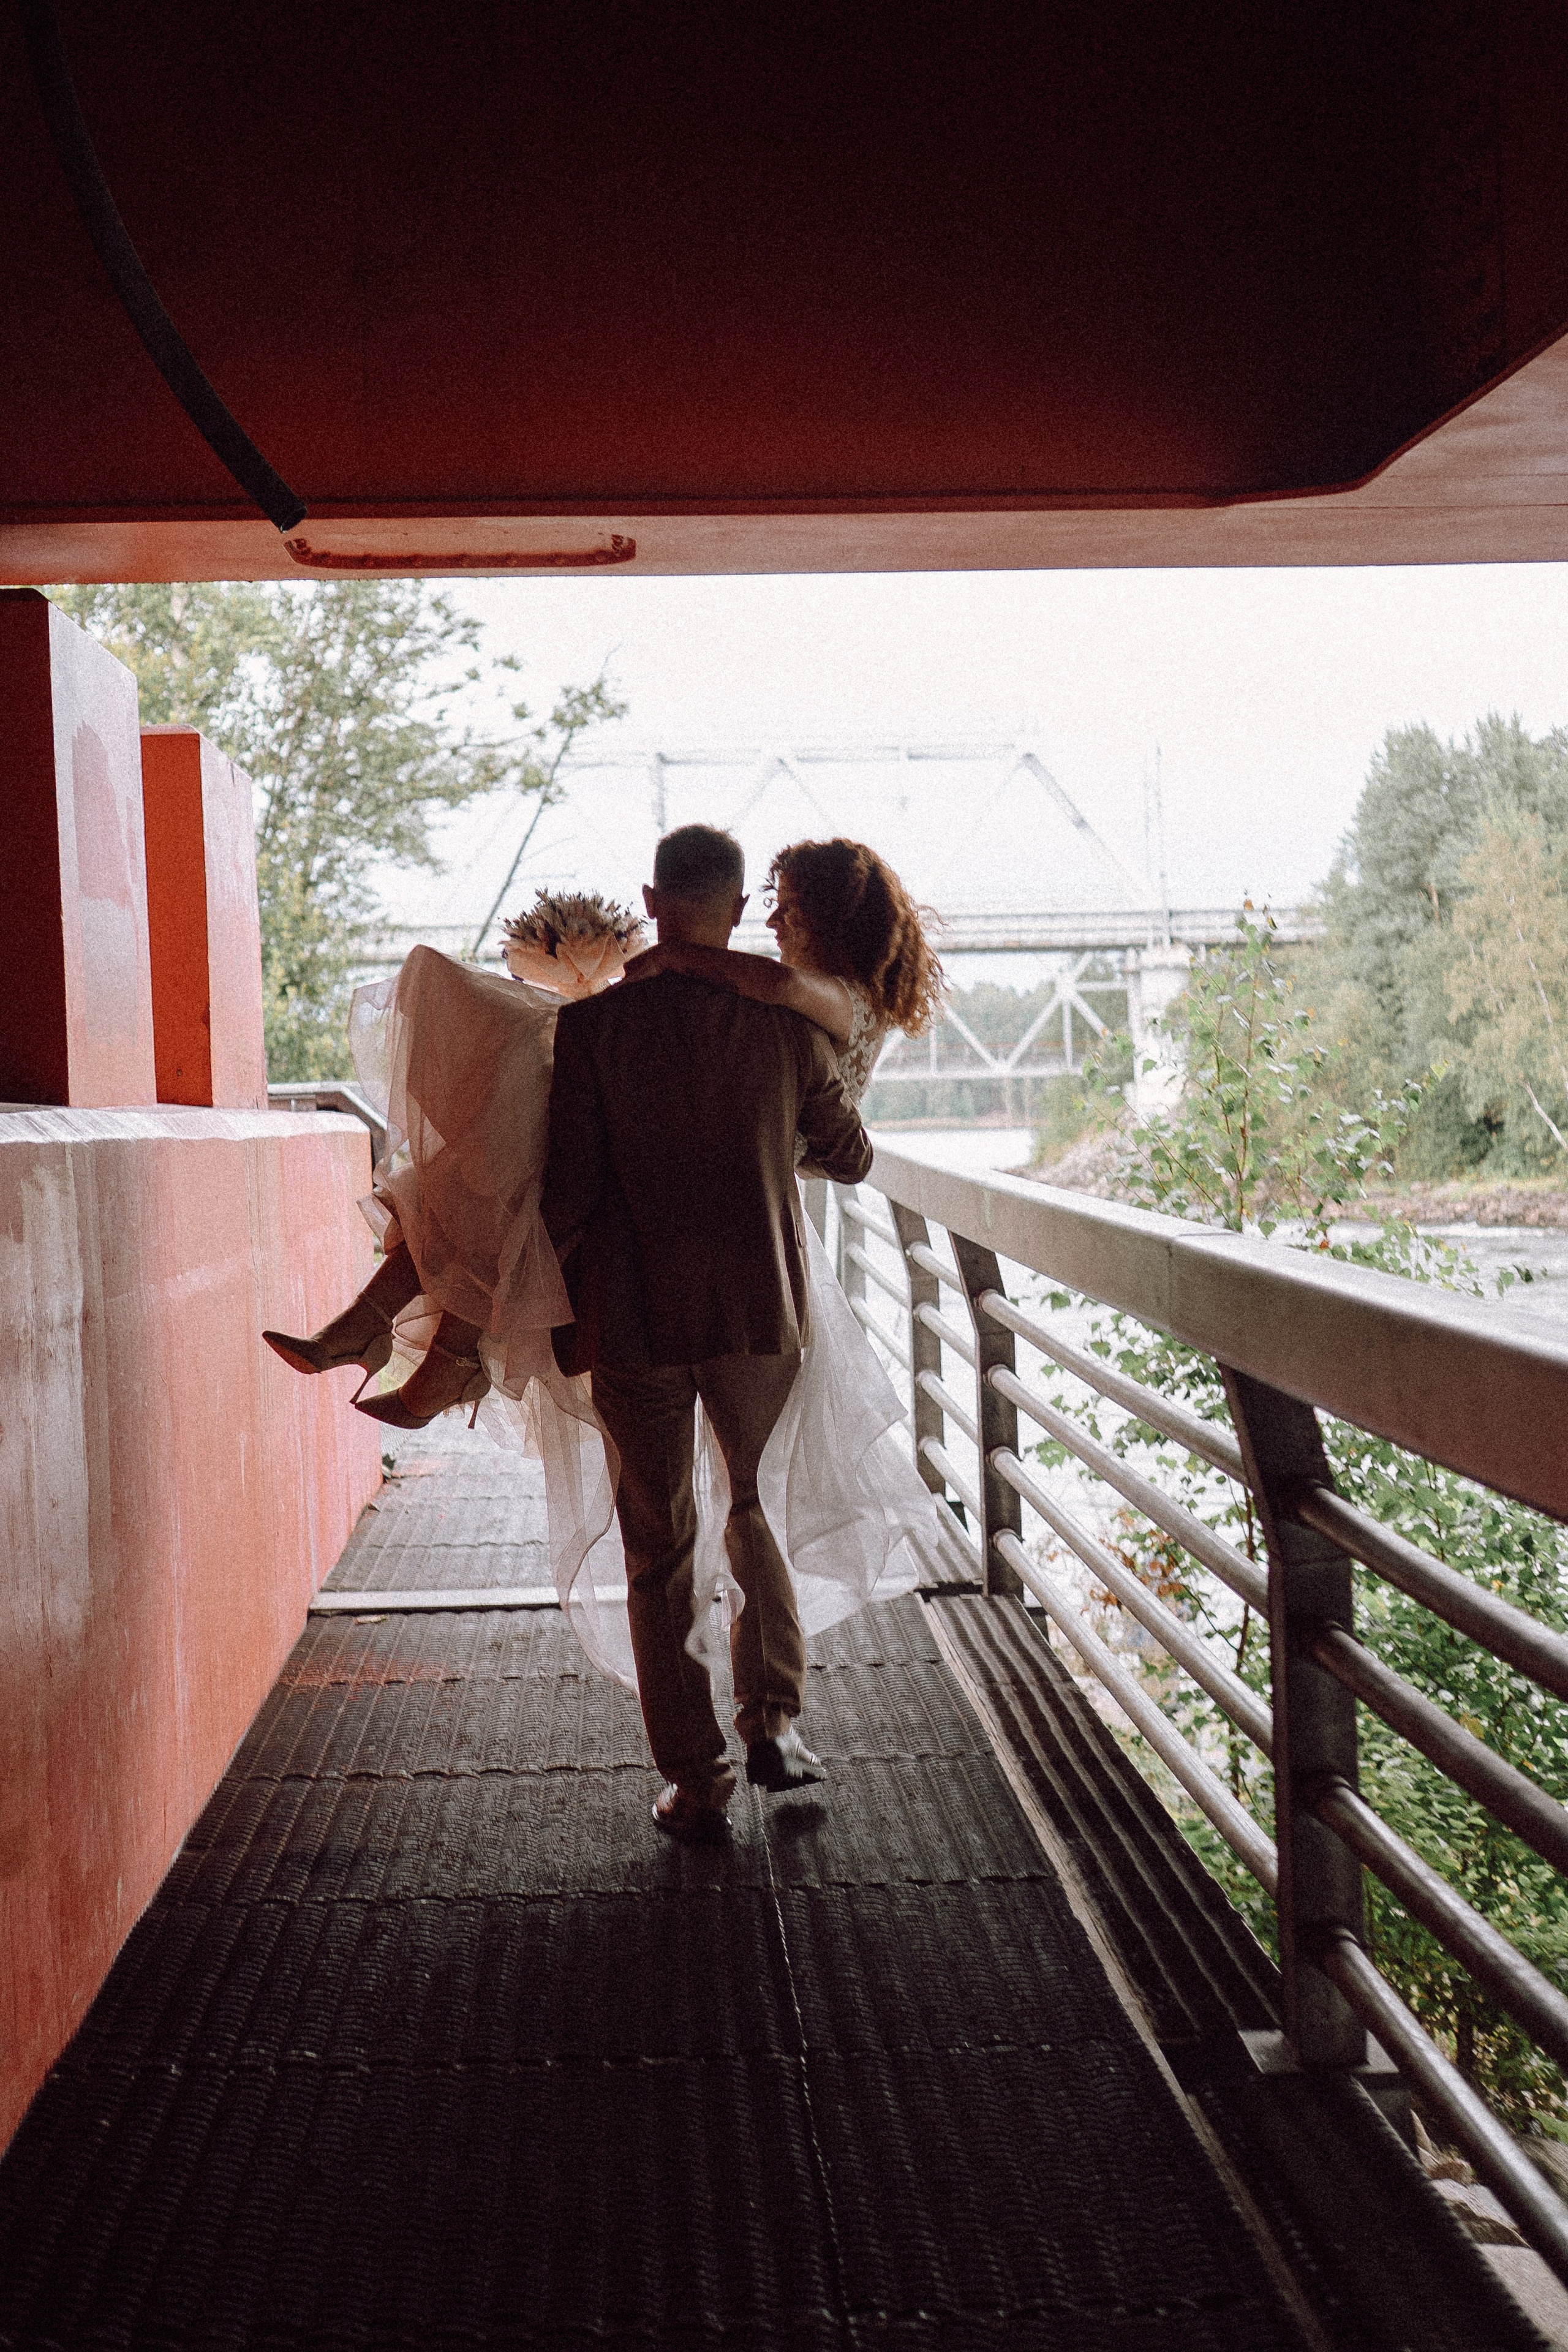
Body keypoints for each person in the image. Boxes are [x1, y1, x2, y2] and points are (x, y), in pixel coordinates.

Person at [541, 824, 875, 1836]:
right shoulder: (788, 1031)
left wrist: (545, 1314)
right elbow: (851, 1158)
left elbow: (567, 1194)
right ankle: (773, 1722)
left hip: (631, 1312)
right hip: (758, 1307)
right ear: (736, 914)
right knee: (754, 1507)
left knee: (659, 1542)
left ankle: (697, 1780)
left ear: (651, 904)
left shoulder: (591, 1032)